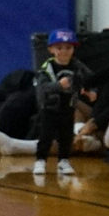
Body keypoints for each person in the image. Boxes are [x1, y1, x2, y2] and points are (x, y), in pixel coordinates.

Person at [31, 29, 92, 178]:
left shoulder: (77, 66)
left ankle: (64, 160)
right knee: (46, 136)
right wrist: (58, 85)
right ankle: (40, 160)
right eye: (59, 48)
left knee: (66, 137)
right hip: (50, 108)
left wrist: (90, 90)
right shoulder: (47, 68)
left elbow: (89, 78)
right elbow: (43, 88)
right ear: (51, 50)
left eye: (68, 48)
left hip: (68, 107)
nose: (64, 52)